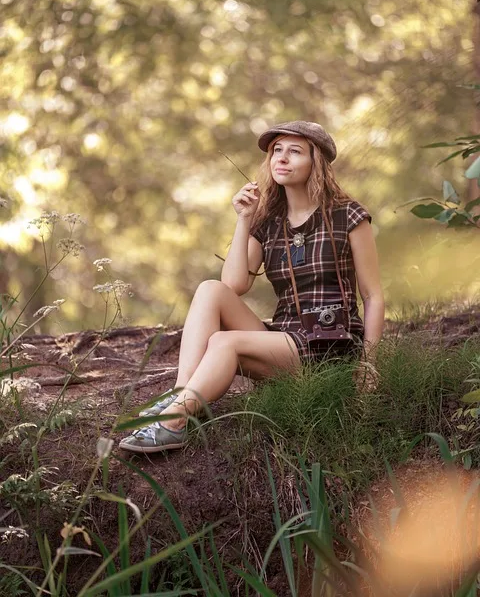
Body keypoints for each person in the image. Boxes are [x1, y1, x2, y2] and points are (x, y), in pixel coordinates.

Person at [119, 121, 384, 453]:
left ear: (316, 162)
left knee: (224, 342)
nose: (281, 159)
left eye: (295, 151)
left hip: (331, 344)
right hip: (284, 340)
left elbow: (372, 295)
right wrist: (244, 218)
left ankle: (173, 423)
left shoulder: (349, 215)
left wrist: (369, 362)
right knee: (209, 289)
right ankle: (183, 394)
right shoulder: (270, 222)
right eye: (277, 151)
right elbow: (233, 284)